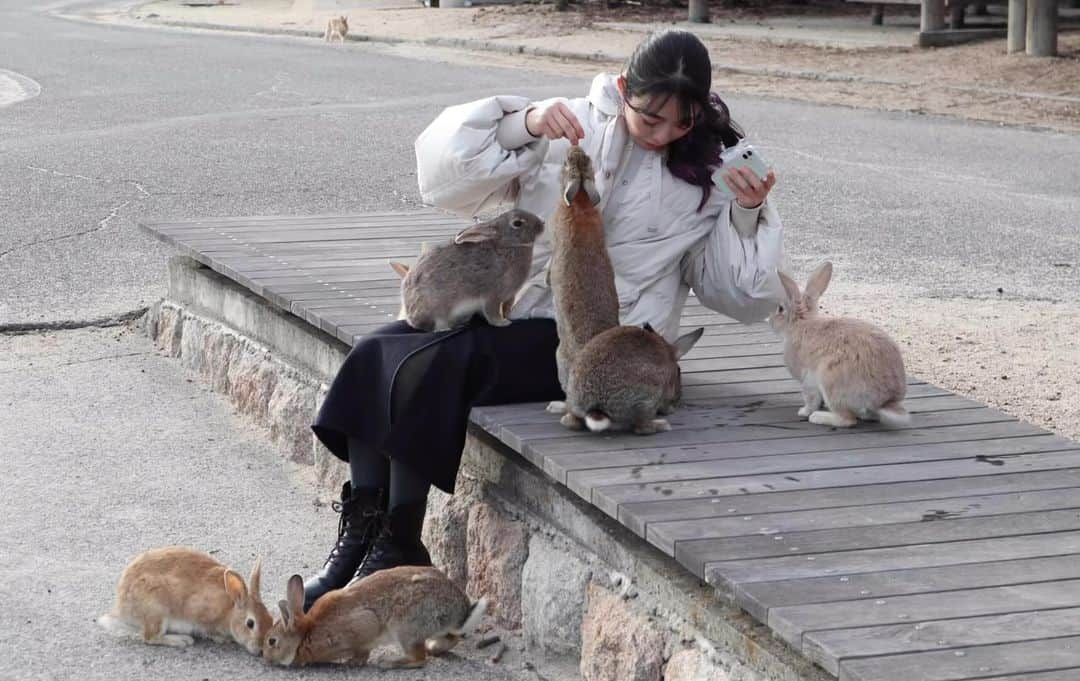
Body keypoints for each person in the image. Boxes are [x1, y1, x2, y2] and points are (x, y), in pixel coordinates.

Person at [303, 29, 784, 611]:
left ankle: (398, 540)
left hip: (596, 345)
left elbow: (741, 296)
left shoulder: (708, 177)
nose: (662, 134)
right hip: (507, 309)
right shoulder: (569, 123)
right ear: (624, 88)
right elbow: (443, 180)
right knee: (377, 349)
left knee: (439, 361)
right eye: (650, 116)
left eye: (679, 123)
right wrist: (521, 124)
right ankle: (362, 537)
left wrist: (748, 212)